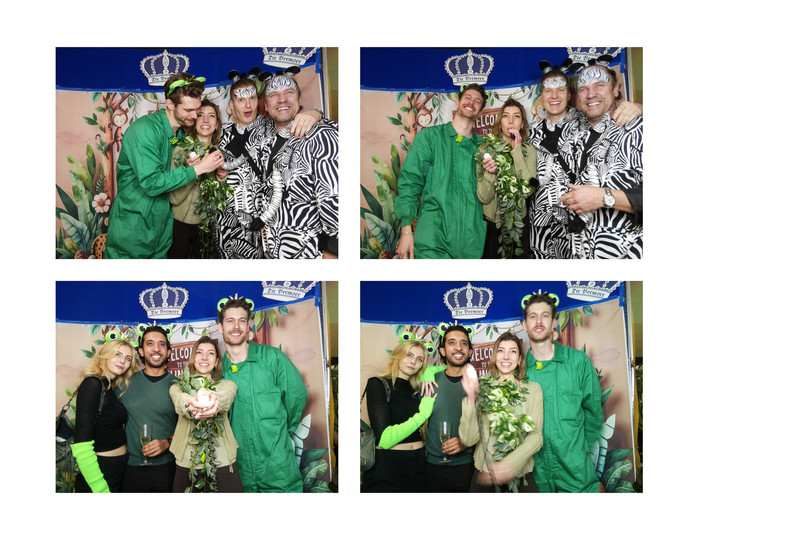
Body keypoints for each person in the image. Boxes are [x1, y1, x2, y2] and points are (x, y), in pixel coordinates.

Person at [529, 61, 642, 259]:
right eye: (584, 88)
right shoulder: (577, 136)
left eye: (599, 85)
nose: (590, 94)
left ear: (616, 89)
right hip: (573, 247)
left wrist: (604, 197)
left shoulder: (637, 128)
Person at [105, 72, 225, 258]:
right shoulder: (144, 130)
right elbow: (152, 183)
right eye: (188, 110)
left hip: (162, 229)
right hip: (134, 226)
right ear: (170, 104)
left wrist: (189, 166)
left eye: (197, 109)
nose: (195, 116)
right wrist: (198, 169)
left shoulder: (178, 136)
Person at [216, 76, 323, 259]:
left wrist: (315, 114)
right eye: (241, 100)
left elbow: (295, 118)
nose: (248, 105)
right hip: (225, 224)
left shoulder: (273, 127)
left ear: (260, 102)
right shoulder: (220, 133)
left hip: (260, 228)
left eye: (252, 98)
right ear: (231, 105)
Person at [218, 297, 308, 492]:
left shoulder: (273, 358)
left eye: (242, 320)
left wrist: (278, 435)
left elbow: (296, 398)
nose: (236, 326)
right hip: (238, 472)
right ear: (220, 327)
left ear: (248, 326)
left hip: (278, 469)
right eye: (230, 321)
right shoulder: (217, 372)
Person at [395, 84, 488, 259]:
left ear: (480, 111)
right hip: (433, 240)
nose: (471, 102)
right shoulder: (429, 137)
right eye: (468, 97)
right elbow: (410, 183)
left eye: (477, 101)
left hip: (470, 244)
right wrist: (406, 231)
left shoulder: (484, 148)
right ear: (457, 102)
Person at [522, 292, 603, 492]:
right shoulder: (520, 371)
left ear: (554, 323)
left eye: (545, 316)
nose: (538, 321)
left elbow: (593, 413)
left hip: (577, 475)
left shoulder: (578, 362)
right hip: (536, 476)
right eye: (532, 316)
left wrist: (577, 452)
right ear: (525, 325)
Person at [259, 73, 339, 259]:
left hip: (310, 254)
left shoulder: (321, 135)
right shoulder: (264, 140)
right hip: (273, 251)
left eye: (289, 92)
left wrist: (334, 251)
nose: (282, 99)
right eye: (274, 95)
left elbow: (334, 198)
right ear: (266, 105)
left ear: (299, 99)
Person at [459, 332, 543, 492]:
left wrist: (509, 465)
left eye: (513, 351)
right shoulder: (482, 388)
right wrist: (471, 399)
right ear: (495, 356)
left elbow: (536, 436)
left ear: (519, 359)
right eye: (501, 350)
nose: (506, 356)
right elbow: (469, 439)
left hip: (521, 473)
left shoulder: (533, 390)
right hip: (485, 473)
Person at [169, 336, 243, 492]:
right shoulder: (177, 387)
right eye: (199, 352)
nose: (204, 357)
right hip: (186, 460)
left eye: (210, 353)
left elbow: (225, 396)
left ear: (216, 361)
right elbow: (180, 400)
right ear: (193, 358)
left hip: (223, 459)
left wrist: (213, 400)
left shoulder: (228, 385)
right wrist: (191, 404)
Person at [362, 339, 435, 492]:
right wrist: (423, 415)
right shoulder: (377, 384)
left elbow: (453, 368)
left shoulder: (417, 389)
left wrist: (430, 372)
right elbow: (385, 439)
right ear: (397, 355)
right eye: (409, 355)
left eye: (420, 359)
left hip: (419, 463)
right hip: (389, 465)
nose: (413, 362)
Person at [117, 325, 179, 492]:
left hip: (168, 467)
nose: (156, 349)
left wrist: (167, 443)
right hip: (131, 468)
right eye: (150, 343)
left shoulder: (180, 387)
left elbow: (189, 429)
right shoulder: (124, 384)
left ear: (168, 352)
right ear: (141, 351)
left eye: (162, 344)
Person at [71, 339, 136, 492]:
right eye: (117, 354)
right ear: (105, 355)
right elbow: (81, 446)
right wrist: (100, 489)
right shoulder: (92, 384)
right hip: (99, 470)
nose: (123, 361)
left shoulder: (108, 386)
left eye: (128, 358)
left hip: (115, 468)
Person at [476, 99, 538, 258]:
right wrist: (490, 174)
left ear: (522, 124)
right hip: (491, 225)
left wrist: (517, 151)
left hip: (518, 224)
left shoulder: (529, 150)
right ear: (500, 122)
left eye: (516, 116)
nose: (510, 121)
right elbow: (483, 197)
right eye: (505, 116)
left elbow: (528, 191)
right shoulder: (485, 150)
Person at [418, 325, 476, 491]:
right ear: (442, 351)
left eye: (464, 343)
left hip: (467, 467)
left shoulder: (480, 385)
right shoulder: (429, 382)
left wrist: (466, 442)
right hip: (433, 467)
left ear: (470, 352)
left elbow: (485, 426)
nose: (458, 347)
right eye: (452, 342)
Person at [168, 99, 225, 258]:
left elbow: (219, 199)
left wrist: (221, 177)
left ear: (217, 124)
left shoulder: (218, 154)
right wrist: (195, 172)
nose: (206, 120)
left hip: (206, 225)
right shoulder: (180, 150)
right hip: (180, 223)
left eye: (211, 116)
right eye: (200, 115)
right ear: (194, 121)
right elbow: (174, 198)